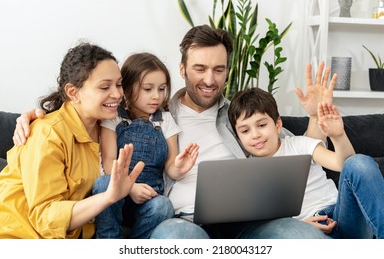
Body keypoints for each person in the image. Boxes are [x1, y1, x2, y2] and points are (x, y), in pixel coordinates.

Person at [13, 25, 334, 239]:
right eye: (200, 68)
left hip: (252, 222)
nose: (209, 79)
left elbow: (296, 154)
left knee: (304, 239)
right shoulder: (152, 113)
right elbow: (86, 111)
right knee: (181, 238)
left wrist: (316, 116)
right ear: (182, 69)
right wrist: (37, 114)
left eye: (219, 70)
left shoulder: (241, 114)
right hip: (182, 220)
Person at [0, 42, 144, 238]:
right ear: (73, 92)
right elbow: (45, 217)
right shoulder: (47, 134)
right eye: (104, 87)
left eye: (119, 84)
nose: (118, 94)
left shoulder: (109, 128)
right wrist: (108, 197)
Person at [228, 87, 384, 238]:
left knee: (359, 162)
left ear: (278, 125)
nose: (255, 134)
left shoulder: (299, 144)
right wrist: (299, 225)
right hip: (306, 229)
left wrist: (338, 136)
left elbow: (343, 164)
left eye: (262, 125)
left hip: (343, 216)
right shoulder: (246, 171)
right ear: (238, 137)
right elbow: (264, 223)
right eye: (245, 131)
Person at [92, 52, 199, 239]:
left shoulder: (165, 120)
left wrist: (180, 167)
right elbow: (109, 162)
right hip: (118, 195)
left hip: (148, 200)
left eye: (162, 89)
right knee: (103, 183)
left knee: (164, 205)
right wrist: (130, 188)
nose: (156, 96)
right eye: (148, 89)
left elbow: (170, 168)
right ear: (126, 87)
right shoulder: (114, 117)